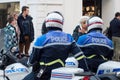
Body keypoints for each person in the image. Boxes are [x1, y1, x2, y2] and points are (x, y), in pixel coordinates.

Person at [23, 11, 88, 80]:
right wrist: (86, 70)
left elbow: (32, 60)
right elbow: (80, 56)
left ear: (47, 23)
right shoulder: (69, 38)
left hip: (43, 72)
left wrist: (28, 63)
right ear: (61, 23)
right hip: (61, 72)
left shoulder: (41, 39)